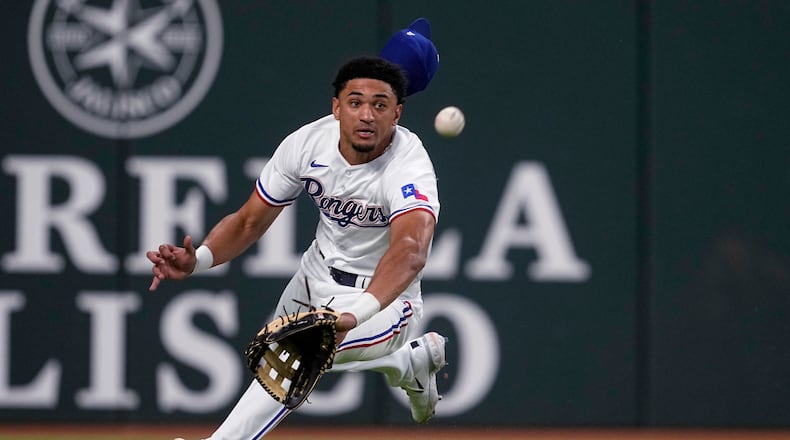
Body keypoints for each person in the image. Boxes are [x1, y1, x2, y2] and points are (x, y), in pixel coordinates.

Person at [146, 19, 446, 439]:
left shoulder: (408, 164)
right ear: (336, 107)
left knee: (295, 355)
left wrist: (353, 313)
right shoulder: (307, 144)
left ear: (397, 113)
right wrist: (199, 260)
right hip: (314, 277)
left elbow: (412, 250)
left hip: (383, 301)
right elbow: (250, 220)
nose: (366, 114)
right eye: (355, 102)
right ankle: (408, 366)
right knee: (278, 365)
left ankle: (402, 358)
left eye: (380, 105)